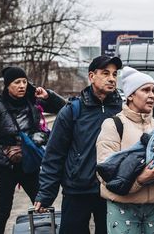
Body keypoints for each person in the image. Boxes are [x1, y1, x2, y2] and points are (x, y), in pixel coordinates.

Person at [34, 55, 123, 234]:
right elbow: (54, 154)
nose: (112, 78)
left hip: (111, 190)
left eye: (114, 74)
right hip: (77, 190)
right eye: (106, 73)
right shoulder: (72, 110)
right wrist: (46, 193)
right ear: (91, 76)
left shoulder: (122, 110)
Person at [0, 66, 65, 234]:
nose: (22, 85)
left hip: (29, 165)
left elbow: (65, 108)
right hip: (5, 167)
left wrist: (48, 95)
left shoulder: (33, 101)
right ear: (8, 85)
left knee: (43, 205)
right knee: (2, 211)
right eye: (17, 82)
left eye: (24, 81)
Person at [96, 66, 154, 234]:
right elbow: (104, 172)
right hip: (122, 207)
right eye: (145, 90)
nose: (152, 95)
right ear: (130, 95)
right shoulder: (114, 125)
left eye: (153, 90)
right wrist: (140, 180)